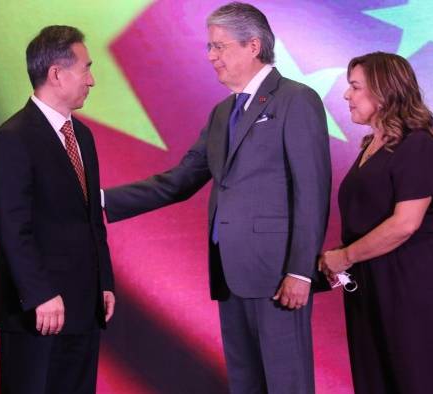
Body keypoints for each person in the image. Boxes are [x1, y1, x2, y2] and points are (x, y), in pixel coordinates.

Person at [104, 3, 331, 392]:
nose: (211, 56)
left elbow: (312, 189)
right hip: (229, 274)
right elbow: (178, 182)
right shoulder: (222, 113)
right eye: (209, 47)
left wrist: (300, 271)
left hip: (277, 275)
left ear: (253, 45)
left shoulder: (296, 99)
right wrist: (100, 200)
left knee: (286, 384)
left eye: (219, 46)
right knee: (246, 385)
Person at [0, 25, 115, 394]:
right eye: (86, 68)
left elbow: (91, 220)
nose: (91, 80)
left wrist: (103, 281)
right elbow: (12, 227)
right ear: (56, 74)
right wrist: (40, 293)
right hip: (37, 311)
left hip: (84, 307)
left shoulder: (83, 136)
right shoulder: (13, 138)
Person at [319, 52, 433, 394]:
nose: (346, 96)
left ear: (383, 92)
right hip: (368, 283)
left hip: (411, 283)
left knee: (417, 380)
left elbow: (404, 224)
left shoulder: (418, 146)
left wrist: (345, 256)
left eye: (355, 87)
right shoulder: (370, 145)